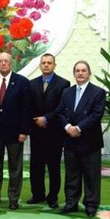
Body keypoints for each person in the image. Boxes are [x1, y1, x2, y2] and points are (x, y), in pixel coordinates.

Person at [56, 60, 106, 217]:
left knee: (91, 176)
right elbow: (59, 113)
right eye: (77, 70)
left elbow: (96, 115)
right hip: (70, 140)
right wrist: (67, 128)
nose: (80, 73)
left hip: (89, 142)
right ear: (74, 73)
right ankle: (71, 203)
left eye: (83, 70)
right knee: (72, 175)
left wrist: (78, 128)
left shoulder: (98, 92)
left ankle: (91, 205)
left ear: (89, 73)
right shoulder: (67, 92)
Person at [0, 52, 30, 210]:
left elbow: (26, 109)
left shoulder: (22, 82)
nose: (3, 64)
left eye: (6, 61)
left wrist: (24, 131)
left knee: (15, 167)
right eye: (0, 61)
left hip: (15, 133)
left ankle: (13, 198)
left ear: (11, 63)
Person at [27, 53, 70, 208]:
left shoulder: (64, 84)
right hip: (36, 132)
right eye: (43, 62)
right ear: (40, 65)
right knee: (36, 165)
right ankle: (37, 195)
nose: (46, 65)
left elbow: (61, 107)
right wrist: (37, 120)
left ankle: (53, 197)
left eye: (49, 63)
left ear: (54, 65)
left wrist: (46, 119)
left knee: (53, 166)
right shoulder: (31, 84)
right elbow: (28, 106)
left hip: (54, 132)